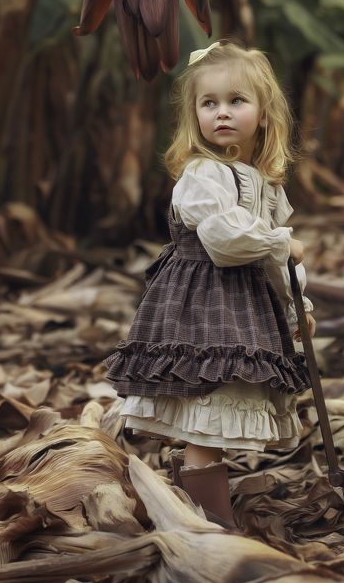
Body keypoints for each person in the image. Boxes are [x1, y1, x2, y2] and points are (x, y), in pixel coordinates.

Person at [104, 40, 315, 529]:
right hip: (201, 304)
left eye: (236, 101)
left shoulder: (264, 185)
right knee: (206, 406)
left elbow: (272, 266)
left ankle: (199, 513)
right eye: (209, 103)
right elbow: (224, 240)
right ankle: (207, 523)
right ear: (193, 114)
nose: (222, 113)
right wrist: (281, 243)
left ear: (263, 114)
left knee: (219, 407)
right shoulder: (203, 174)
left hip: (244, 307)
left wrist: (295, 305)